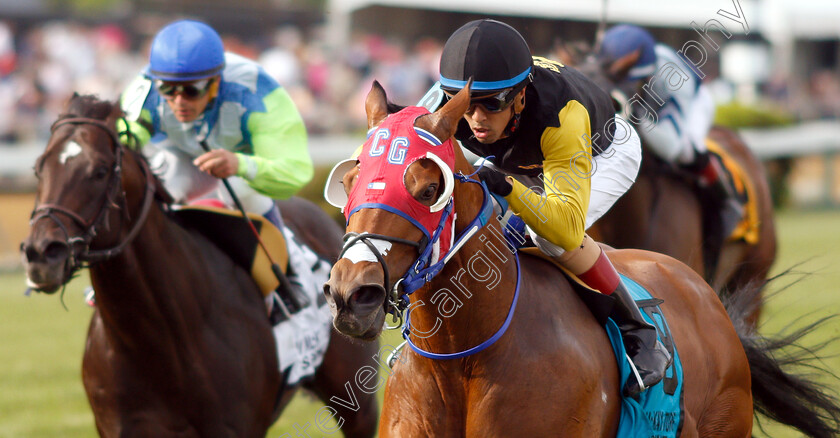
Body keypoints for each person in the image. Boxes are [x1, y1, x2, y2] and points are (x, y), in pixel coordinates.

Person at [437, 19, 671, 397]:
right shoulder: (447, 97)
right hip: (523, 158)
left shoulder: (562, 116)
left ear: (520, 95)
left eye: (491, 104)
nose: (476, 118)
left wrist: (507, 187)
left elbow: (564, 228)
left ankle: (639, 332)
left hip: (600, 154)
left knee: (546, 239)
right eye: (465, 103)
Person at [116, 19, 312, 315]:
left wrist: (240, 163)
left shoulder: (258, 92)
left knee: (240, 190)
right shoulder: (143, 90)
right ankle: (125, 267)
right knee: (159, 183)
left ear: (216, 82)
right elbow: (120, 145)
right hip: (180, 155)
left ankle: (289, 275)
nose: (179, 101)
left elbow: (294, 173)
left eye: (192, 90)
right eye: (168, 90)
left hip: (241, 161)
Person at [596, 24, 743, 237]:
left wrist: (637, 119)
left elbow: (671, 147)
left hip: (692, 102)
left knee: (688, 150)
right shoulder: (619, 62)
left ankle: (726, 199)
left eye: (631, 81)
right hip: (648, 101)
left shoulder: (673, 80)